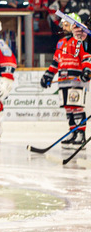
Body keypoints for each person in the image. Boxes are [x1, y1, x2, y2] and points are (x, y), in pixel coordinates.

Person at [40, 12, 91, 147]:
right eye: (63, 24)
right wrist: (48, 75)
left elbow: (86, 57)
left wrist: (87, 71)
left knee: (76, 107)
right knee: (68, 108)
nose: (63, 27)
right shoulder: (61, 42)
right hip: (63, 80)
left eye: (67, 24)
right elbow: (56, 62)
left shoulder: (80, 40)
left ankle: (81, 133)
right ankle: (72, 132)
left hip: (77, 80)